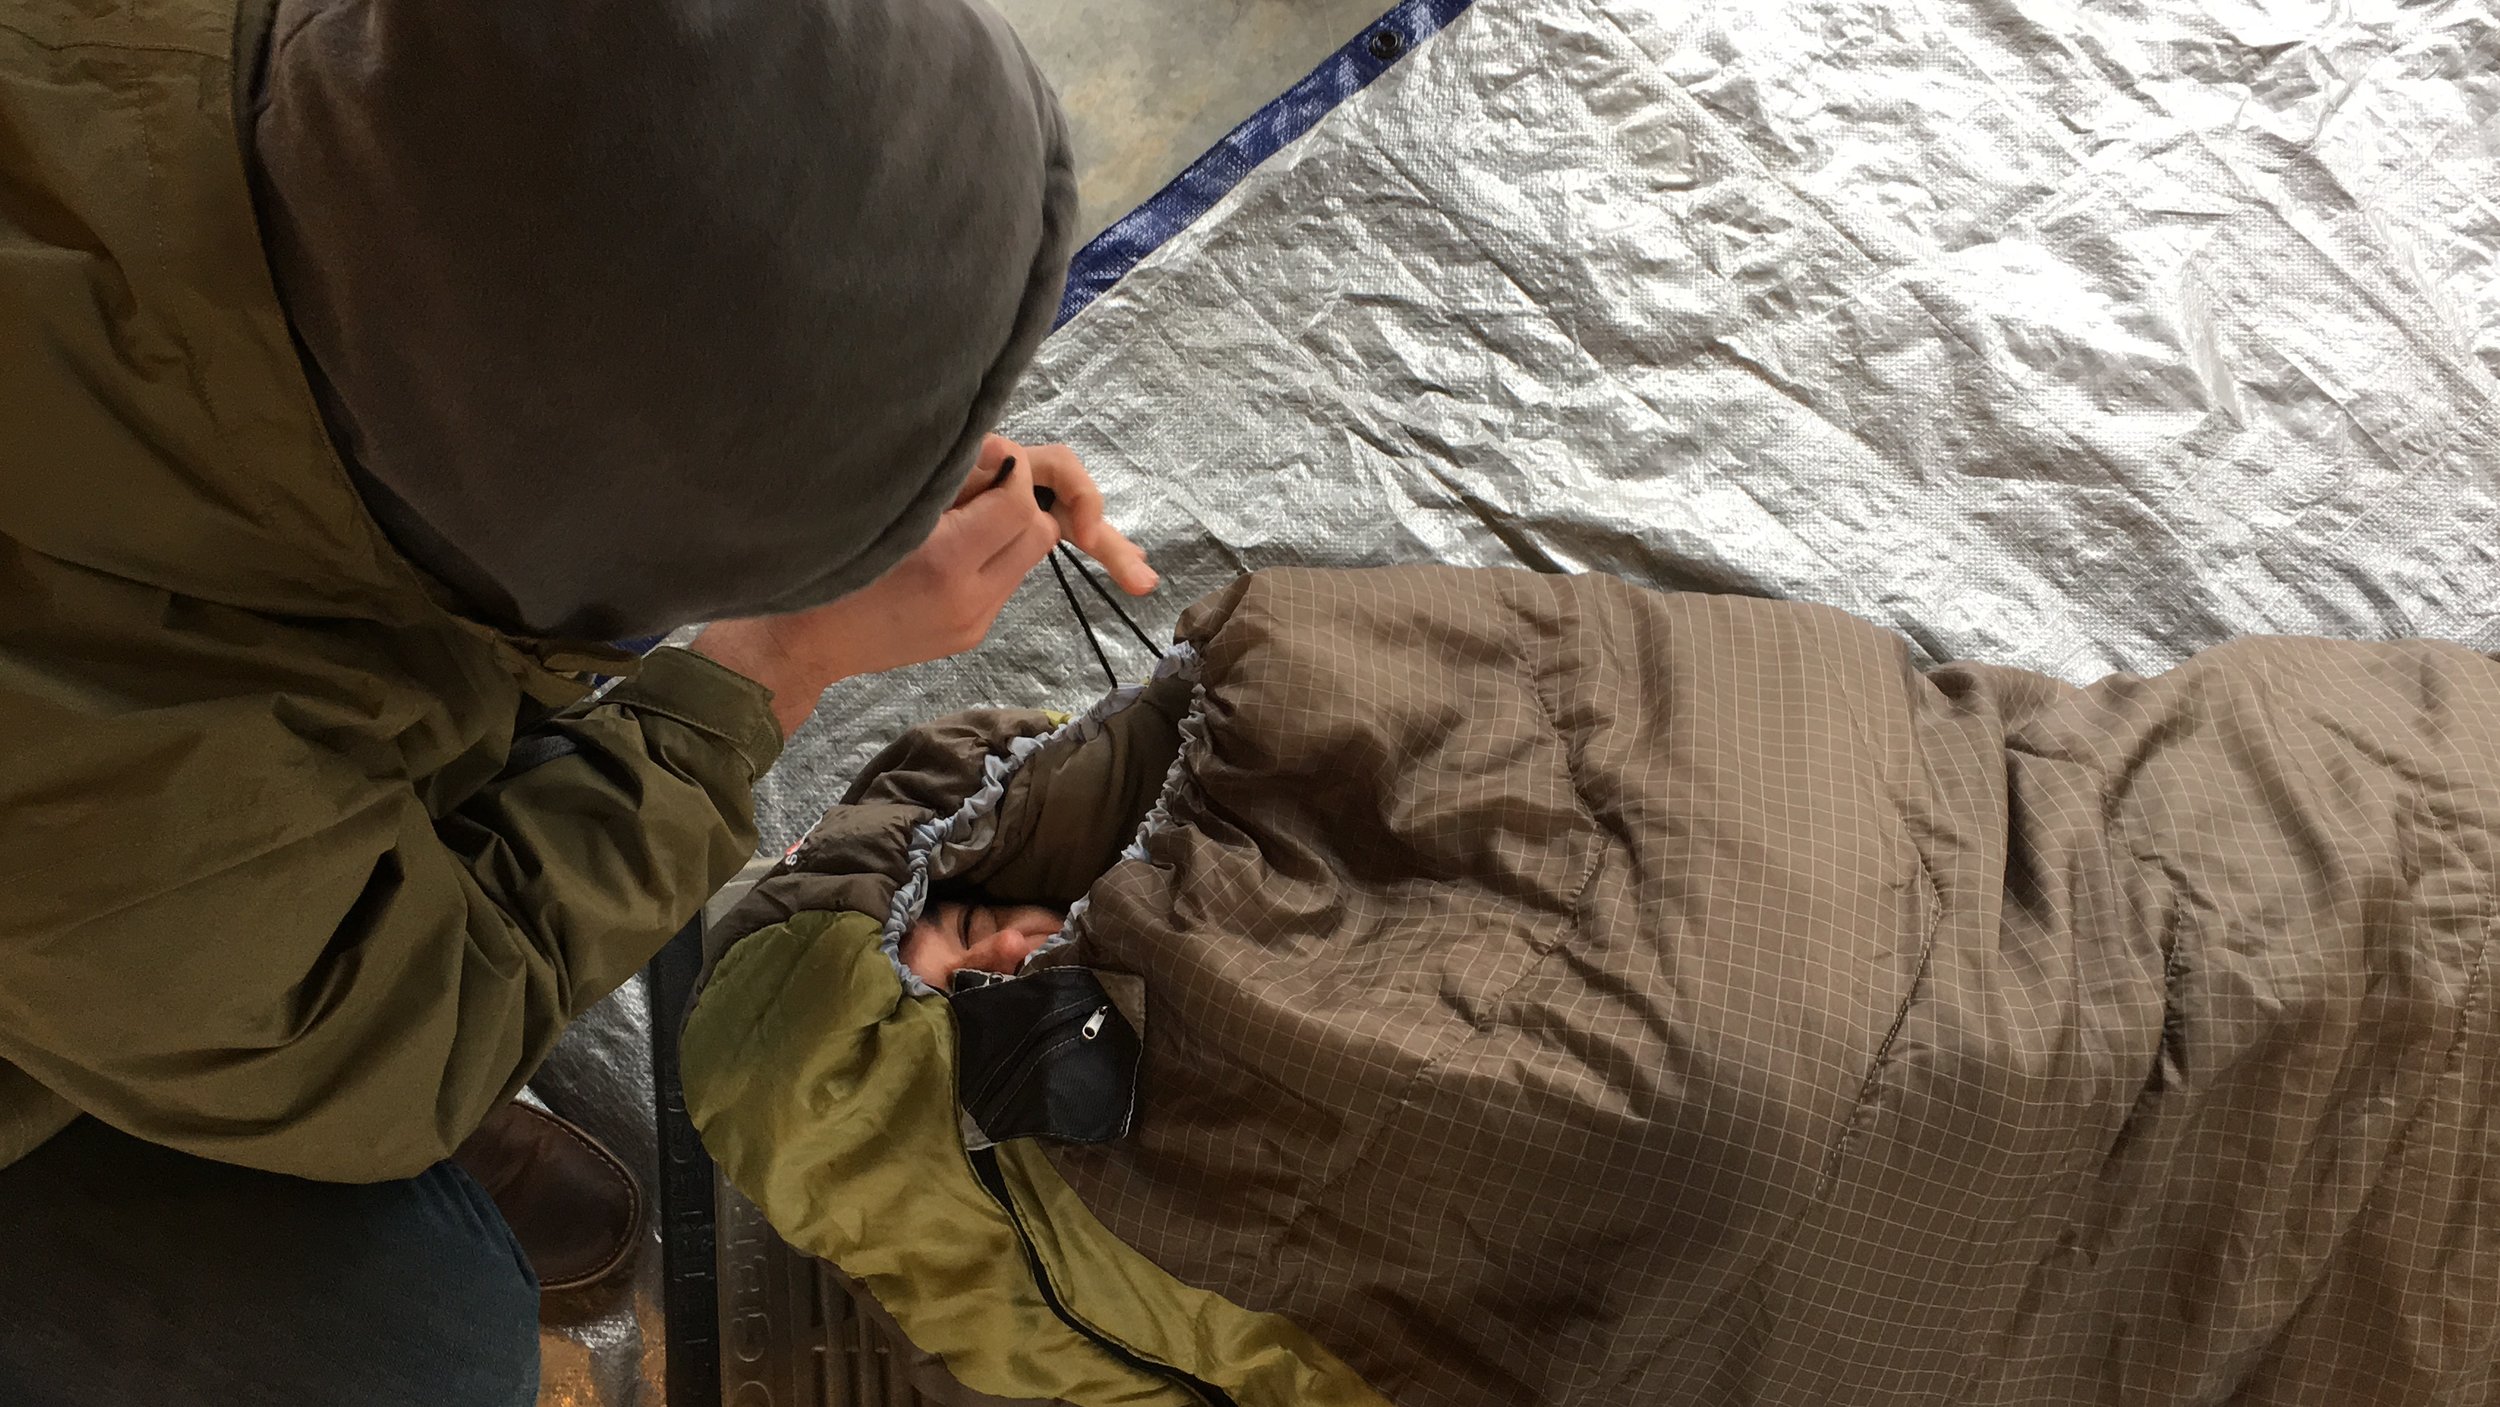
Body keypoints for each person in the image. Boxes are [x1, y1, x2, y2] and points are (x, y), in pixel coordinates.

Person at [0, 0, 1149, 1402]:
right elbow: (388, 1023)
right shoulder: (123, 799)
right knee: (419, 1347)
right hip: (97, 958)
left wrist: (857, 429)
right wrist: (776, 658)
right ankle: (213, 1120)